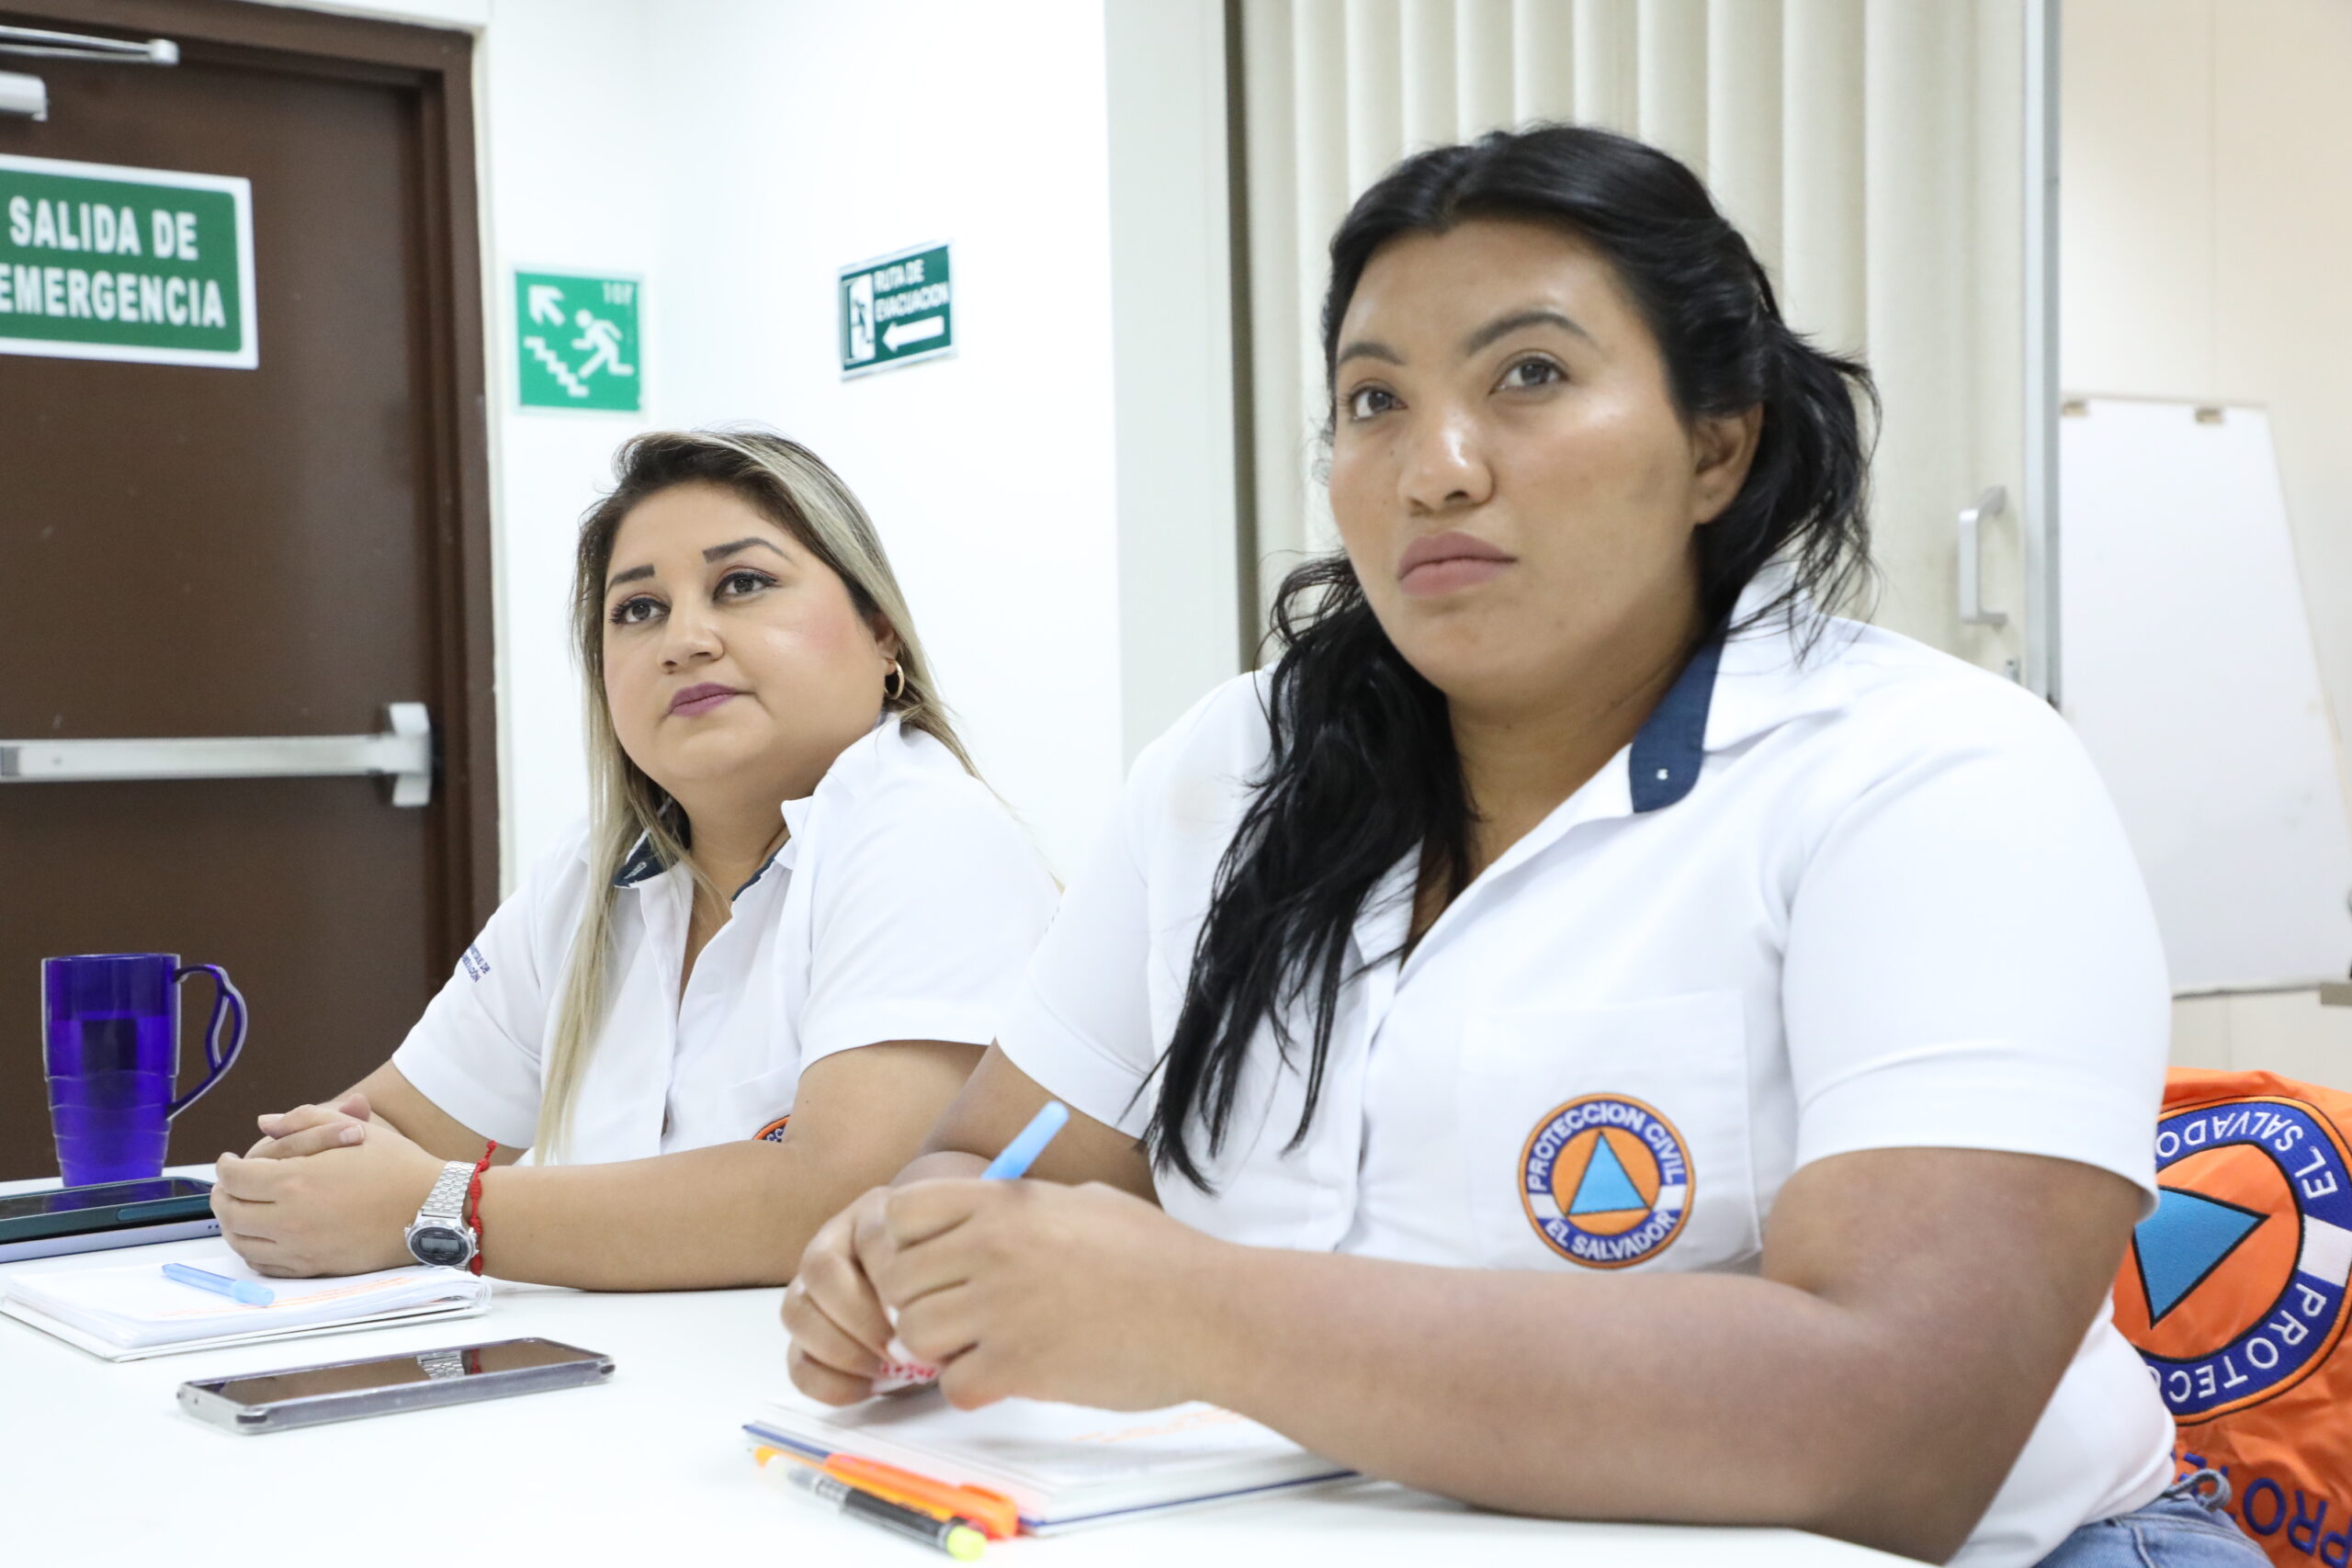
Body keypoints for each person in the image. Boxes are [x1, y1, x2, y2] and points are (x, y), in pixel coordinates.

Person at [781, 127, 2264, 1568]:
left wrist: (1197, 1314)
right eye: (1374, 400)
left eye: (1531, 375)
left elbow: (1904, 1432)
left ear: (1717, 443)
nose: (1435, 469)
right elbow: (1001, 1148)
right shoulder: (1231, 765)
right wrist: (903, 1246)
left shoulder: (1934, 773)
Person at [210, 429, 1056, 1291]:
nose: (683, 640)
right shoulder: (591, 872)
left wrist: (444, 1209)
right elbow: (390, 1128)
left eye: (742, 583)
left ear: (883, 635)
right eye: (638, 609)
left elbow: (844, 1197)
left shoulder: (929, 832)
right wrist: (289, 1184)